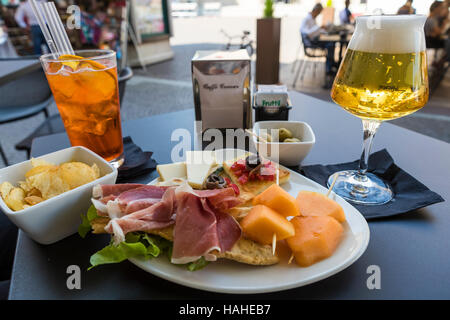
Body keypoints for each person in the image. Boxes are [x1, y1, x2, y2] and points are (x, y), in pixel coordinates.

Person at [300, 3, 337, 88]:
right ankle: (329, 69)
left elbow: (315, 31)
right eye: (319, 12)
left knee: (331, 44)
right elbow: (308, 33)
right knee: (330, 45)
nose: (318, 14)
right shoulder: (307, 19)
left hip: (315, 41)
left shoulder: (312, 19)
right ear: (315, 10)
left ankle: (331, 66)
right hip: (311, 44)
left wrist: (322, 30)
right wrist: (319, 28)